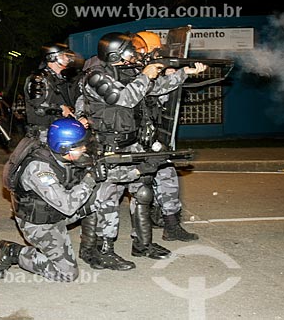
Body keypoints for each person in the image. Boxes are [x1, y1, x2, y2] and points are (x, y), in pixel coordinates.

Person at [75, 32, 206, 262]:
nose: (134, 53)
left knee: (142, 192)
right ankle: (103, 250)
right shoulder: (96, 77)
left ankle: (143, 244)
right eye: (129, 49)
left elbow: (156, 88)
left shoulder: (129, 71)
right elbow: (124, 99)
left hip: (133, 143)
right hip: (110, 145)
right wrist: (145, 75)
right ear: (115, 53)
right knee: (108, 197)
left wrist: (185, 73)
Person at [0, 118, 132, 282]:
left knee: (108, 189)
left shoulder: (61, 153)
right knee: (67, 274)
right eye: (79, 146)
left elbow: (103, 174)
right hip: (40, 224)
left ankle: (97, 250)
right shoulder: (38, 169)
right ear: (65, 149)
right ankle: (12, 252)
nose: (84, 148)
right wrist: (90, 178)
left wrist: (137, 171)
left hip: (59, 211)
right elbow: (67, 206)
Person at [135, 30, 199, 241]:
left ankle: (167, 224)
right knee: (137, 184)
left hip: (149, 134)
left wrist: (172, 74)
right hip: (135, 137)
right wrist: (182, 74)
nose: (155, 54)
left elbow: (161, 99)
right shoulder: (137, 71)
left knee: (164, 175)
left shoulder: (148, 69)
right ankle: (142, 236)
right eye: (153, 50)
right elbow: (152, 90)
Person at [23, 42, 78, 142]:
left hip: (60, 128)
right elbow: (39, 108)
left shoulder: (62, 79)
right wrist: (61, 109)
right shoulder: (38, 79)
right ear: (52, 57)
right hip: (43, 132)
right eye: (64, 55)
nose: (67, 58)